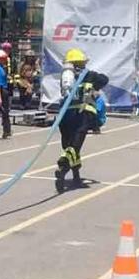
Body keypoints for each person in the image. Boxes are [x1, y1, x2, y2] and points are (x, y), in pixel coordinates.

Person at [55, 48, 109, 193]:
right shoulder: (90, 75)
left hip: (65, 116)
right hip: (83, 115)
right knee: (74, 148)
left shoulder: (65, 77)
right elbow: (104, 79)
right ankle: (63, 167)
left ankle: (76, 176)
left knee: (70, 148)